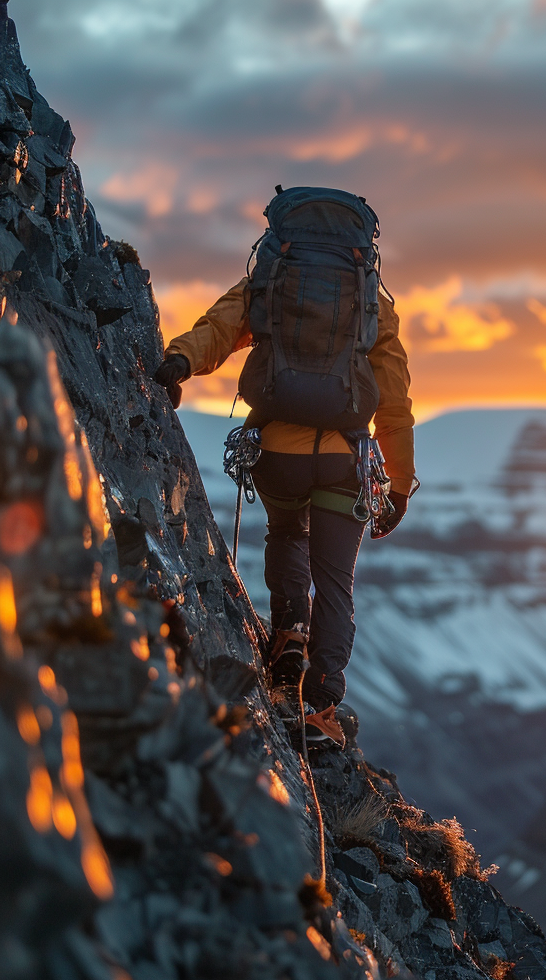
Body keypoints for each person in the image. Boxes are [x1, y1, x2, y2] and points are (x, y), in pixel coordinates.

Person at [151, 188, 414, 746]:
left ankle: (289, 637)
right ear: (361, 248)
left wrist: (179, 361)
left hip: (277, 452)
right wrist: (399, 486)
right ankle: (319, 708)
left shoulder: (270, 281)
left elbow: (219, 328)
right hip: (346, 459)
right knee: (336, 581)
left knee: (287, 534)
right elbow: (393, 400)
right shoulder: (371, 302)